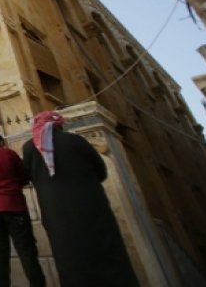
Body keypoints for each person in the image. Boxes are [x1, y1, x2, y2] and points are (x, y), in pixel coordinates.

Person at [23, 111, 138, 286]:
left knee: (69, 260)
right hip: (91, 207)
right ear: (58, 125)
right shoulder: (74, 140)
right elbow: (101, 170)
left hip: (55, 213)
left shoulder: (29, 147)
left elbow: (28, 176)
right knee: (107, 256)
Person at [0, 131, 45, 287]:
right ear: (0, 142)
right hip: (13, 204)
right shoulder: (8, 153)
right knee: (26, 250)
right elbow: (23, 175)